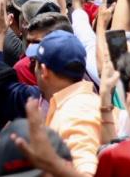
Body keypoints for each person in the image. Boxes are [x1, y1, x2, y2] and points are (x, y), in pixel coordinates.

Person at [28, 29, 101, 176]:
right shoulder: (75, 103)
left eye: (35, 62)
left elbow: (88, 172)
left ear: (44, 71)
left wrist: (52, 163)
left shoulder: (76, 112)